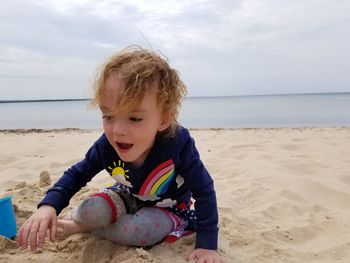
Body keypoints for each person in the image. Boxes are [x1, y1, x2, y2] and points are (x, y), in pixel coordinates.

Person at [17, 46, 224, 263]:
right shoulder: (107, 145)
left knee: (139, 231)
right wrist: (49, 206)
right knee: (90, 211)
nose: (118, 130)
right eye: (108, 116)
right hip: (126, 196)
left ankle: (82, 229)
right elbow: (77, 174)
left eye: (134, 118)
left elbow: (204, 190)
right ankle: (85, 222)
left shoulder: (177, 144)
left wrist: (207, 245)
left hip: (170, 209)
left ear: (164, 119)